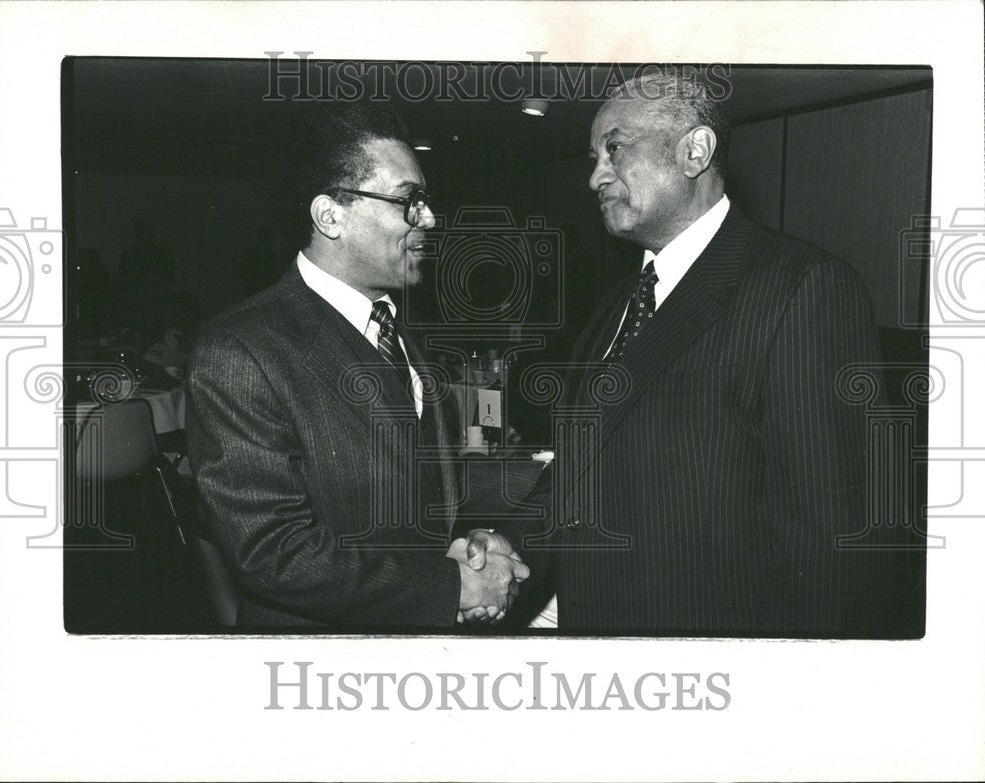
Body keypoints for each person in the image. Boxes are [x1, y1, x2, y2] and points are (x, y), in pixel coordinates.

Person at [466, 72, 912, 637]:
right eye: (593, 156)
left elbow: (836, 543)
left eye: (615, 149)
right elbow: (580, 473)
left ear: (694, 152)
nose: (595, 175)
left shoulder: (802, 288)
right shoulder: (619, 302)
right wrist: (509, 548)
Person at [186, 104, 527, 628]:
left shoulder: (401, 330)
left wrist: (470, 543)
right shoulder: (240, 351)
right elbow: (273, 555)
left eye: (426, 201)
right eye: (408, 201)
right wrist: (452, 586)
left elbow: (421, 487)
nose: (428, 219)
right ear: (330, 216)